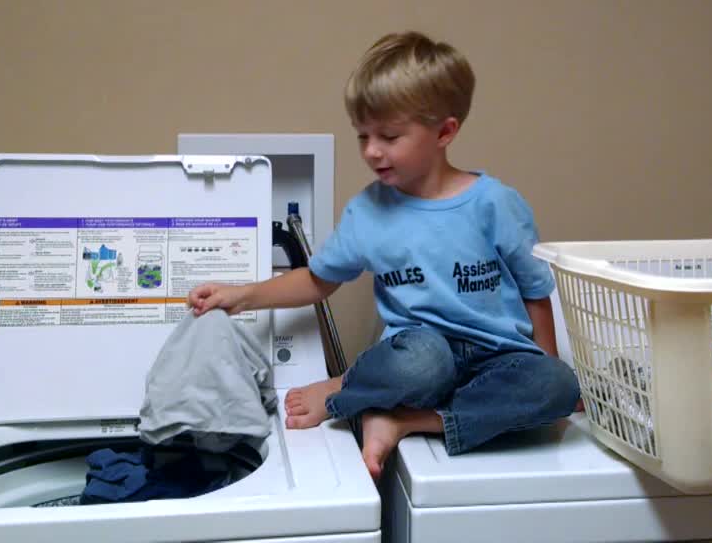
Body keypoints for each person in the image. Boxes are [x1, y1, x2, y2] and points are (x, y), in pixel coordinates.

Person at [188, 31, 579, 480]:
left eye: (389, 136)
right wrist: (242, 296)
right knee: (424, 361)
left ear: (445, 132)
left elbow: (535, 288)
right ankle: (345, 390)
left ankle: (407, 420)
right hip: (421, 358)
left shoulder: (496, 204)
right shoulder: (368, 212)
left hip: (498, 358)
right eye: (363, 136)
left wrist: (544, 369)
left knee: (558, 384)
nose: (372, 151)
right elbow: (319, 280)